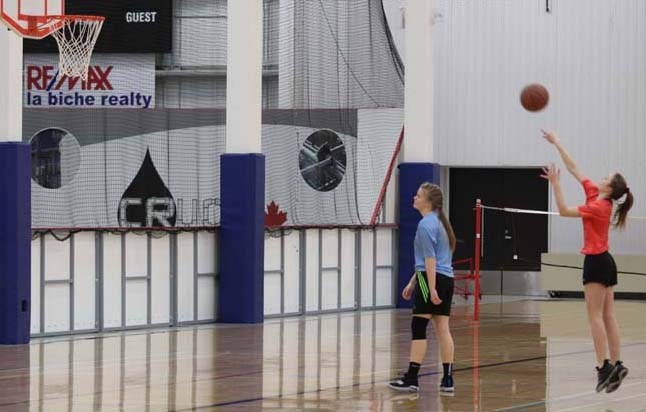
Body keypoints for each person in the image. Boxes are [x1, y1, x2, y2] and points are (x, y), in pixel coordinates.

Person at [541, 130, 633, 393]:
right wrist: (557, 141)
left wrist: (555, 184)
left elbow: (563, 211)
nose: (601, 178)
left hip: (596, 262)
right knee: (608, 315)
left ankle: (604, 366)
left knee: (594, 316)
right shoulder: (595, 193)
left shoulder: (599, 207)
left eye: (606, 178)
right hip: (606, 260)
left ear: (610, 188)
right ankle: (618, 363)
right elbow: (574, 167)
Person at [389, 182, 457, 394]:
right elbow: (433, 259)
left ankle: (411, 378)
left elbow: (429, 260)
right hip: (446, 279)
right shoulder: (440, 223)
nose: (414, 198)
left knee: (418, 327)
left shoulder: (426, 225)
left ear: (428, 202)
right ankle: (447, 379)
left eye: (418, 196)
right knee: (442, 329)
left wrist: (430, 288)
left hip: (431, 280)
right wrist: (412, 281)